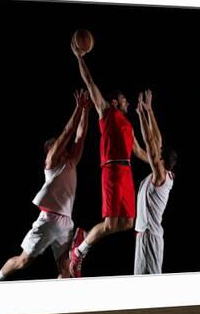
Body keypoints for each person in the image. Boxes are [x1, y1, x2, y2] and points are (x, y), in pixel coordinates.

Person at [0, 90, 91, 281]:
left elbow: (80, 135)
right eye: (56, 144)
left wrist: (85, 110)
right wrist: (78, 108)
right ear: (49, 150)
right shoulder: (51, 162)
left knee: (65, 268)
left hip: (66, 222)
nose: (62, 146)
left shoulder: (70, 162)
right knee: (23, 261)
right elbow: (68, 132)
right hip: (49, 220)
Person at [69, 39, 148, 278]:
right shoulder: (106, 111)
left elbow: (139, 151)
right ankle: (79, 251)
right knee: (112, 223)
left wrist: (158, 166)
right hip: (112, 171)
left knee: (127, 223)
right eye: (124, 99)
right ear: (115, 102)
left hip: (126, 172)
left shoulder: (129, 126)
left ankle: (82, 242)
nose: (128, 101)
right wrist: (79, 58)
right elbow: (90, 82)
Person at [134, 90, 177, 275]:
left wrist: (141, 114)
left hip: (150, 237)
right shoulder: (160, 172)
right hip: (144, 237)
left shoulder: (160, 177)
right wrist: (149, 110)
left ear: (163, 163)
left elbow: (150, 142)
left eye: (157, 157)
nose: (154, 156)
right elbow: (150, 145)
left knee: (152, 288)